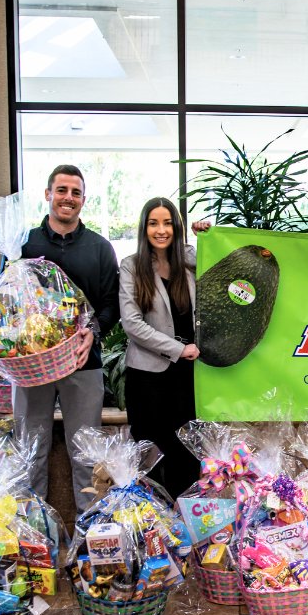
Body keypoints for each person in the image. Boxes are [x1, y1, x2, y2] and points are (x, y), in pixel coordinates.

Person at [13, 164, 120, 513]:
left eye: (75, 193)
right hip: (31, 367)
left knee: (87, 457)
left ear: (83, 200)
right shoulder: (23, 244)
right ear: (48, 194)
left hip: (82, 364)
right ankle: (33, 539)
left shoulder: (100, 248)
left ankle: (90, 544)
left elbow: (111, 303)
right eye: (61, 190)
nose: (68, 198)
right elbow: (6, 300)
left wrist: (94, 332)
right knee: (29, 452)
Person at [119, 197, 200, 499]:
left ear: (177, 228)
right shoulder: (131, 266)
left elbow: (220, 263)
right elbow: (132, 323)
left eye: (167, 223)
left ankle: (188, 527)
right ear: (145, 228)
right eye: (154, 223)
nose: (161, 230)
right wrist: (178, 350)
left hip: (187, 378)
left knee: (187, 454)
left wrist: (206, 234)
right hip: (147, 378)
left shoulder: (189, 261)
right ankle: (153, 530)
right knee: (150, 456)